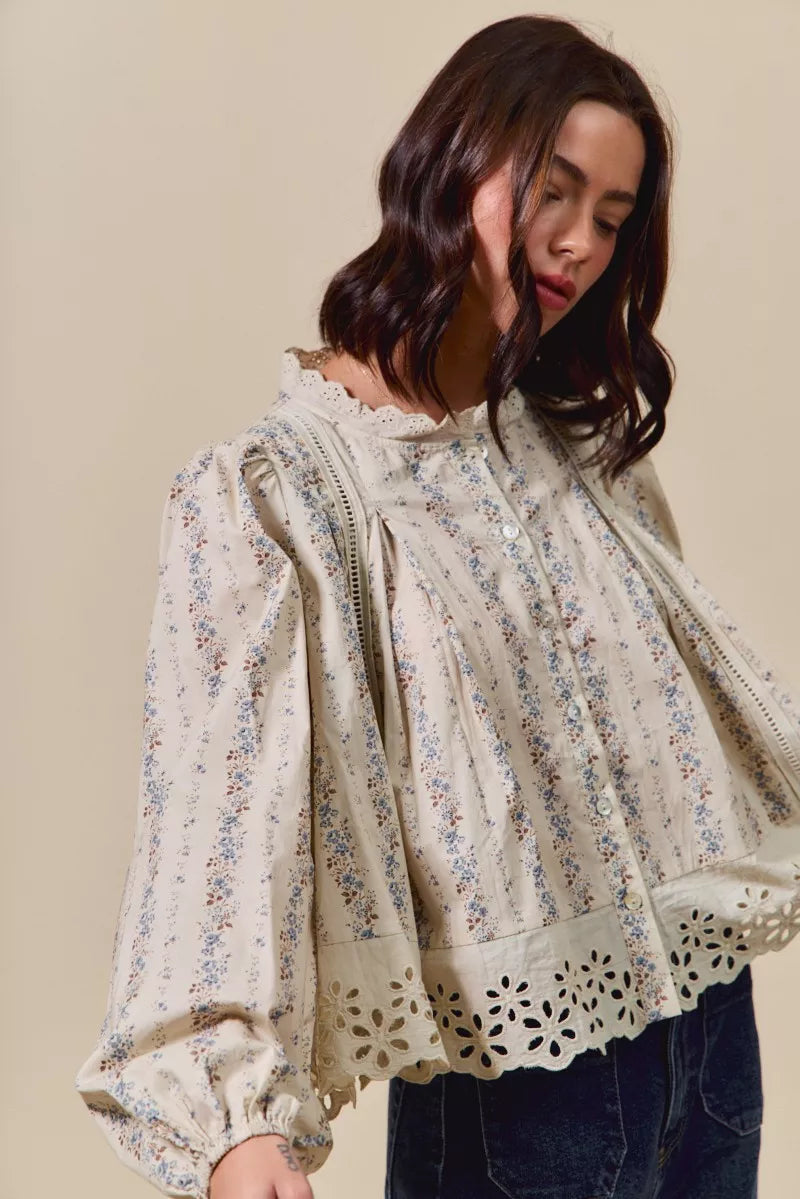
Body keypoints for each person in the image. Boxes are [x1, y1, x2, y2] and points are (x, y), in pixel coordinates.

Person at [74, 14, 800, 1199]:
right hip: (521, 1102)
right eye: (553, 192)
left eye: (612, 220)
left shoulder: (581, 447)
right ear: (454, 158)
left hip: (712, 1043)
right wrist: (233, 1119)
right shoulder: (283, 494)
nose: (576, 246)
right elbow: (213, 829)